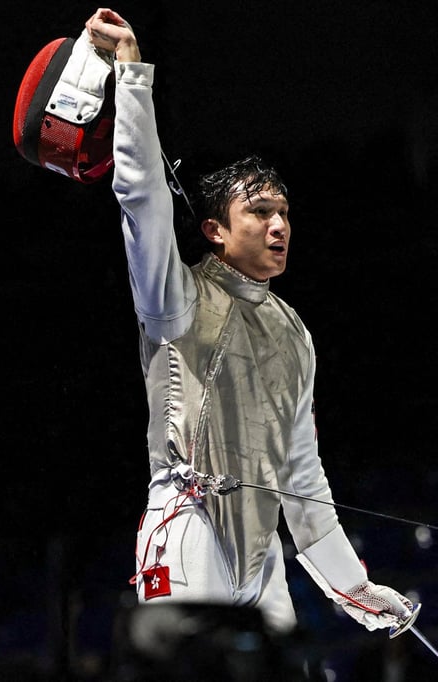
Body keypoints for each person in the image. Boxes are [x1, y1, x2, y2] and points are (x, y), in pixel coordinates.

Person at [83, 7, 416, 637]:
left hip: (261, 552)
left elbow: (302, 477)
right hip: (189, 527)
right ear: (214, 229)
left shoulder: (295, 335)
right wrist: (131, 76)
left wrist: (357, 591)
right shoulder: (174, 297)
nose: (279, 226)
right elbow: (142, 195)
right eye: (258, 212)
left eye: (284, 212)